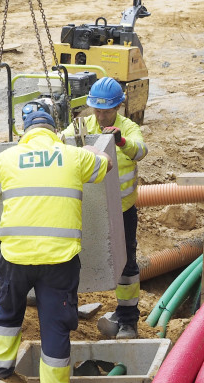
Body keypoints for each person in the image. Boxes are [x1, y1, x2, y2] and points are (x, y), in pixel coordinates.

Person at [0, 108, 113, 383]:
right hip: (60, 259)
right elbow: (105, 164)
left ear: (24, 133)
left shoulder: (8, 158)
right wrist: (94, 149)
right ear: (55, 132)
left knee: (8, 310)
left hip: (15, 256)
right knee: (55, 325)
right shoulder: (74, 156)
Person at [63, 77, 148, 340]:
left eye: (106, 110)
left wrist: (121, 142)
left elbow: (140, 151)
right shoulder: (81, 127)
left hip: (122, 210)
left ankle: (127, 320)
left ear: (119, 107)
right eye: (96, 110)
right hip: (87, 209)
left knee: (126, 264)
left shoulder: (128, 127)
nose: (100, 116)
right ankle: (66, 312)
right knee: (71, 256)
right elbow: (59, 145)